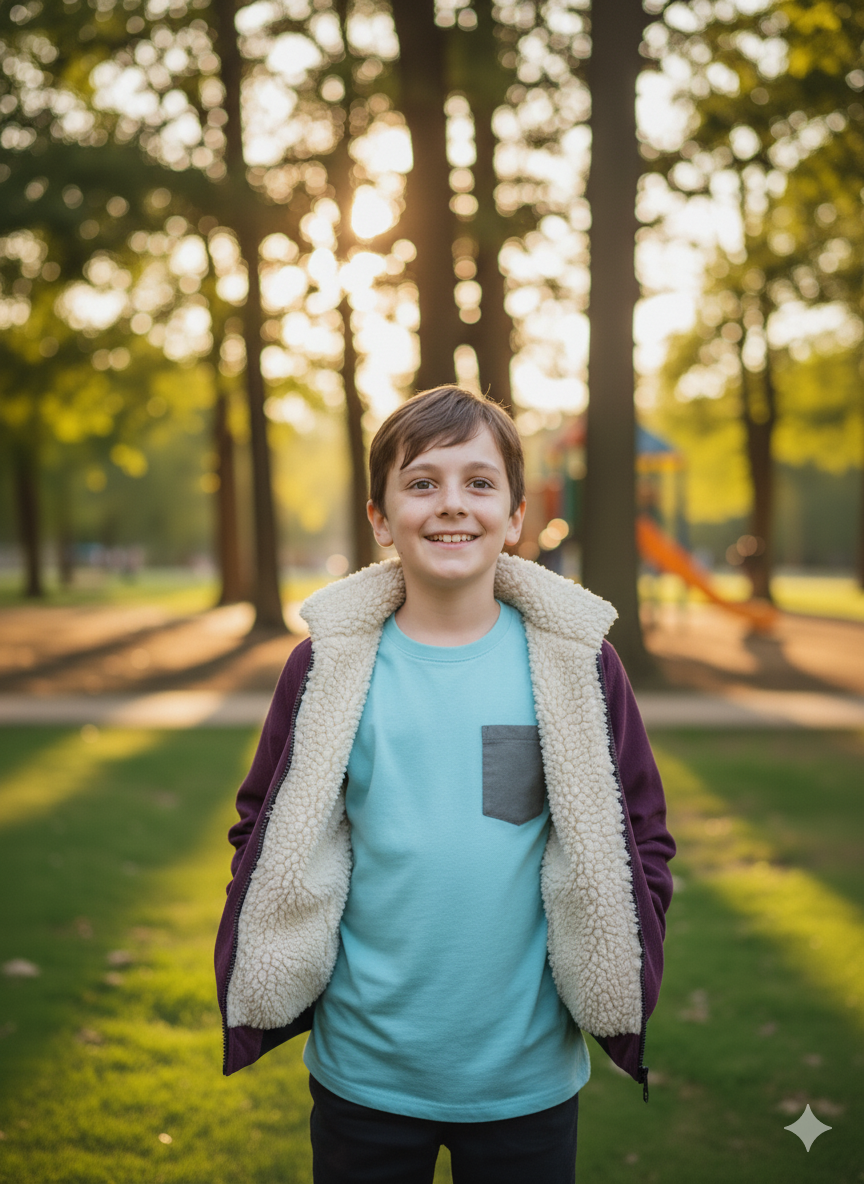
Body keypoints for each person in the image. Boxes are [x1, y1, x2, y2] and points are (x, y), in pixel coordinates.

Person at [215, 385, 675, 1183]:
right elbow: (263, 825)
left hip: (525, 1081)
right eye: (422, 483)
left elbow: (640, 832)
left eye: (479, 482)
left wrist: (623, 936)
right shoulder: (327, 669)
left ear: (517, 514)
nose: (451, 505)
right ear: (381, 519)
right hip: (364, 1074)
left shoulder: (574, 666)